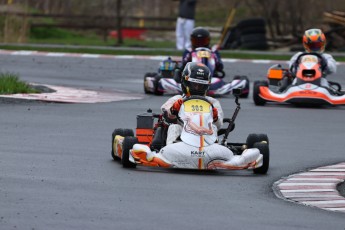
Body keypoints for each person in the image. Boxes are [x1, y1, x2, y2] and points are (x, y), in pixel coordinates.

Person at [131, 62, 261, 169]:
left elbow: (218, 125)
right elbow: (166, 117)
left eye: (201, 86)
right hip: (180, 141)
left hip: (207, 141)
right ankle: (169, 153)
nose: (197, 88)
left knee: (214, 128)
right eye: (194, 85)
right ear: (185, 83)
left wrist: (215, 117)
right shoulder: (177, 99)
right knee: (174, 128)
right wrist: (173, 110)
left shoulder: (213, 102)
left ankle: (210, 153)